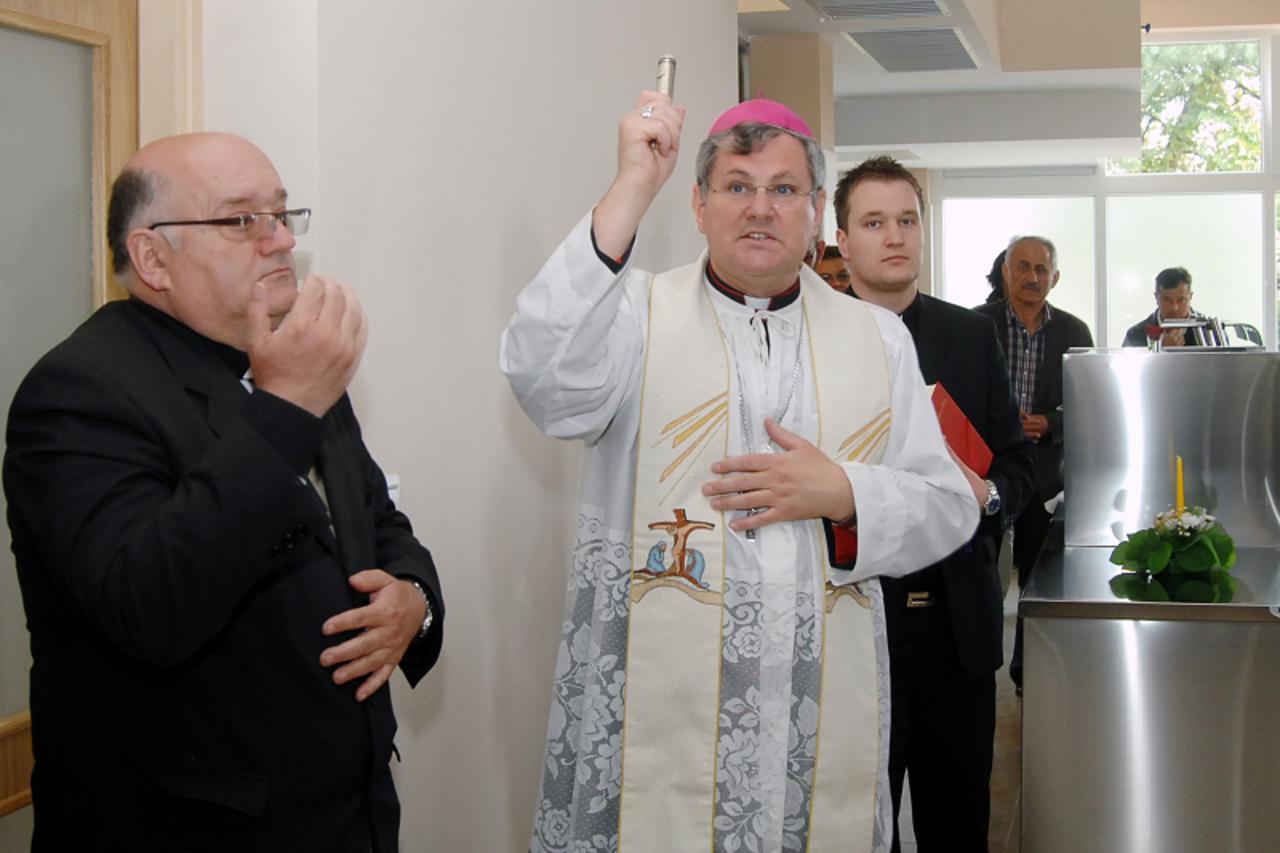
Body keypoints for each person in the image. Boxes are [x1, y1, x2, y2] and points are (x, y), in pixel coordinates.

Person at [501, 93, 978, 853]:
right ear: (696, 203)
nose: (760, 208)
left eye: (784, 189)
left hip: (811, 715)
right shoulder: (635, 318)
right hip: (664, 712)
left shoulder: (878, 340)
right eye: (736, 186)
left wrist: (844, 492)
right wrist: (631, 186)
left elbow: (952, 505)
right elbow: (540, 375)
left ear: (817, 210)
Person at [3, 132, 444, 853]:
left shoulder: (287, 359)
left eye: (281, 214)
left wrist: (414, 602)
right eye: (242, 220)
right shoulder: (79, 391)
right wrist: (286, 408)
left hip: (350, 818)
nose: (278, 241)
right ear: (152, 258)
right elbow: (149, 604)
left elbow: (372, 517)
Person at [834, 155, 1035, 852]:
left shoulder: (969, 334)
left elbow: (1018, 461)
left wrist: (988, 497)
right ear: (842, 238)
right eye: (874, 221)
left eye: (908, 220)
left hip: (959, 626)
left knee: (959, 825)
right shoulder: (816, 342)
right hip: (856, 629)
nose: (895, 236)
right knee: (861, 827)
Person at [974, 235, 1092, 691]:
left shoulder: (1074, 331)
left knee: (1039, 582)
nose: (1031, 277)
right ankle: (980, 666)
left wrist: (1051, 422)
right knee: (986, 574)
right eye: (1022, 267)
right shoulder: (975, 325)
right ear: (1006, 272)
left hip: (1046, 477)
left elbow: (1086, 402)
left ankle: (1030, 672)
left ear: (1055, 278)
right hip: (986, 470)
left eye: (1041, 269)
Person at [1122, 266, 1203, 347]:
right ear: (1156, 298)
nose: (1175, 307)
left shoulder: (1208, 331)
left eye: (1181, 300)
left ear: (1190, 297)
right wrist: (1161, 349)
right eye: (1167, 300)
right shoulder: (1136, 335)